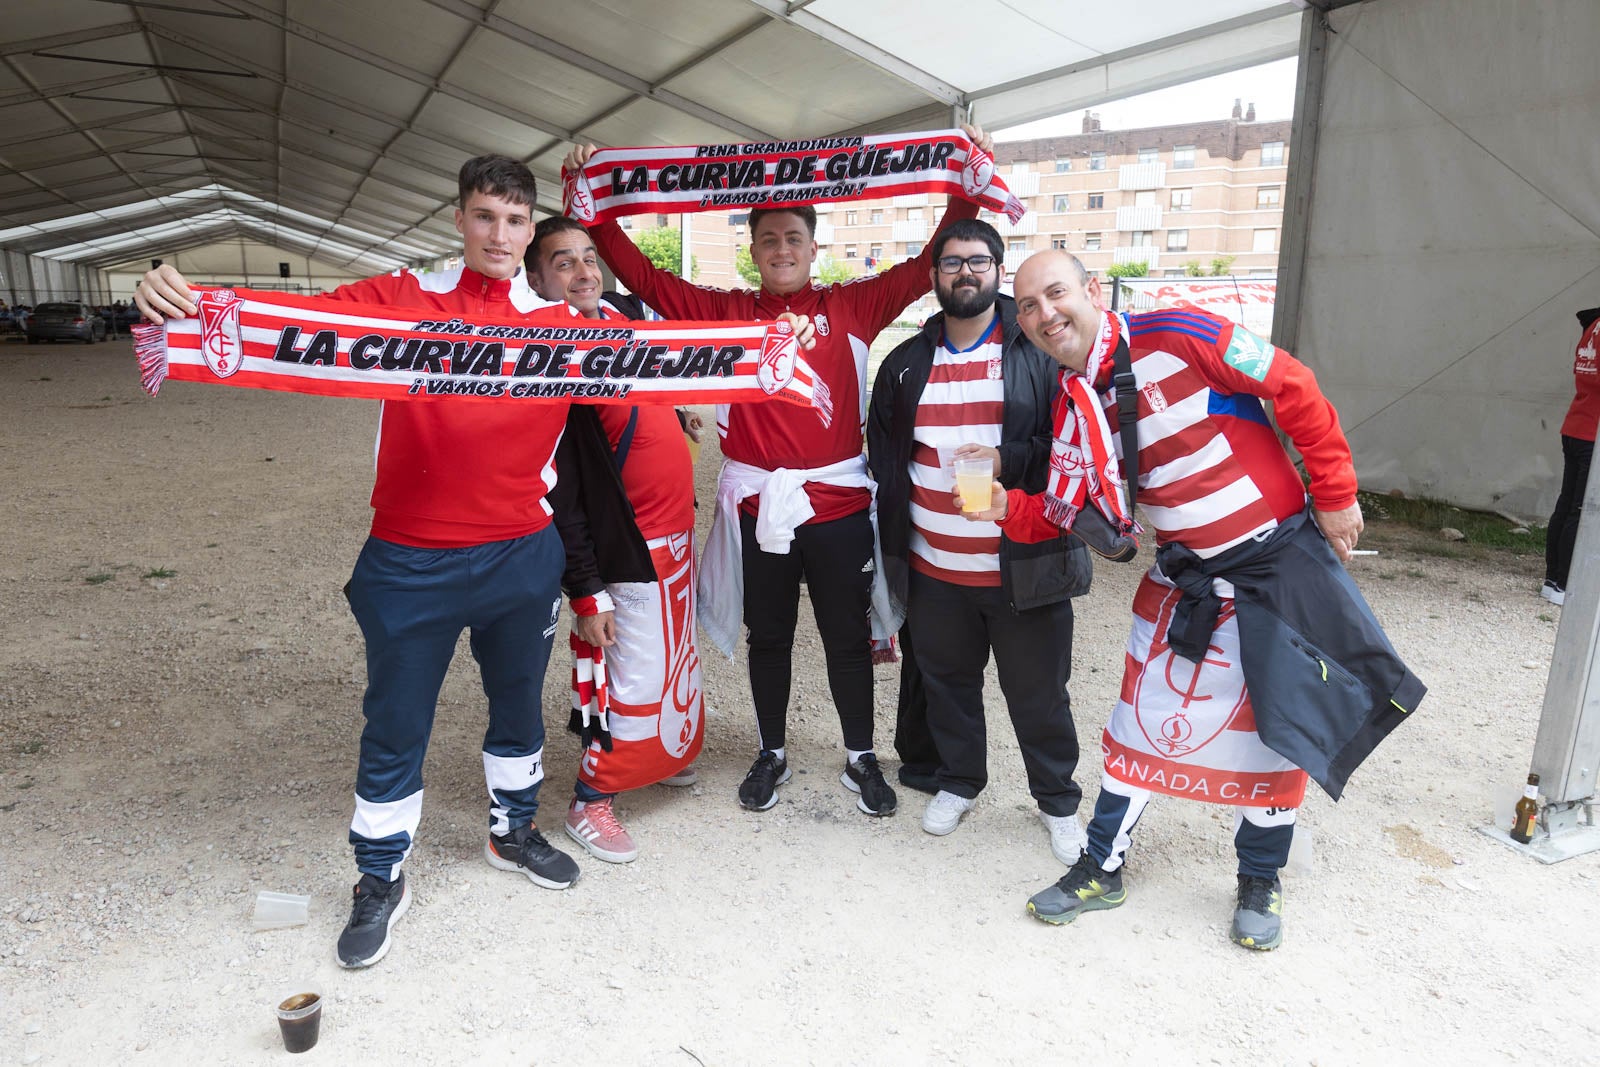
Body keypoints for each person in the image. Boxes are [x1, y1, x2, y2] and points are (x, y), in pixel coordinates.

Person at [135, 156, 586, 970]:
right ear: (460, 218)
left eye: (517, 221)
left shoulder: (562, 322)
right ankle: (379, 877)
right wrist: (185, 298)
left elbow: (686, 355)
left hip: (523, 553)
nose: (500, 235)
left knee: (519, 702)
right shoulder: (405, 296)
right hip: (412, 558)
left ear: (531, 229)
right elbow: (294, 315)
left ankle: (512, 829)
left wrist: (780, 338)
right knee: (396, 721)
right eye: (486, 216)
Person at [966, 250, 1422, 951]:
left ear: (1091, 290)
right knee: (1137, 723)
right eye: (1026, 306)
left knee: (1283, 730)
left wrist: (1334, 494)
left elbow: (1293, 384)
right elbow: (1073, 510)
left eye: (1054, 294)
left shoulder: (1180, 333)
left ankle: (1260, 878)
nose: (1042, 314)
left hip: (1277, 565)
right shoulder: (1074, 399)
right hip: (1189, 580)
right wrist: (1005, 506)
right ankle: (1101, 866)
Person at [562, 127, 991, 817]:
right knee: (771, 637)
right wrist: (594, 202)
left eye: (794, 238)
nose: (782, 250)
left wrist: (965, 185)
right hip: (759, 508)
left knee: (846, 638)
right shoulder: (727, 312)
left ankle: (860, 756)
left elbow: (926, 263)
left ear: (813, 248)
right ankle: (773, 751)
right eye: (769, 240)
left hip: (839, 505)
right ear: (753, 250)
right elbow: (642, 277)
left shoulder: (853, 305)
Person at [866, 218, 1092, 861]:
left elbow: (1071, 452)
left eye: (979, 262)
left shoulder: (1040, 353)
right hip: (935, 568)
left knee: (1041, 695)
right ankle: (959, 782)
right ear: (934, 277)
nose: (966, 272)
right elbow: (885, 460)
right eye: (952, 263)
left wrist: (1004, 458)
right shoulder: (906, 364)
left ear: (998, 269)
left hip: (1025, 564)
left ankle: (1058, 802)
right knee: (948, 686)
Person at [526, 216, 704, 863]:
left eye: (589, 258)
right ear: (537, 278)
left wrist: (677, 405)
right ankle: (590, 797)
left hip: (674, 537)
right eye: (563, 262)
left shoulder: (622, 322)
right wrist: (587, 587)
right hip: (625, 552)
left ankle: (660, 755)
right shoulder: (553, 361)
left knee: (674, 666)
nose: (583, 272)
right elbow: (563, 490)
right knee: (622, 679)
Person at [1543, 306, 1600, 606]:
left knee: (1566, 505)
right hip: (1593, 431)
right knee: (1580, 510)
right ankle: (1564, 584)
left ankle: (1552, 579)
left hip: (1576, 424)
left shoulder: (1591, 326)